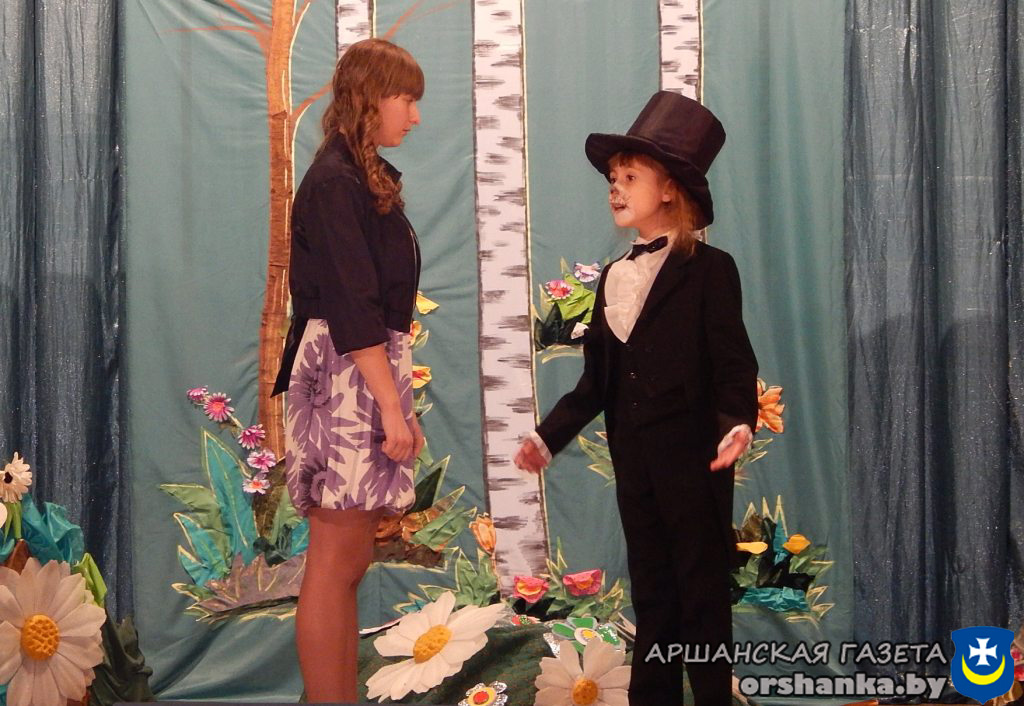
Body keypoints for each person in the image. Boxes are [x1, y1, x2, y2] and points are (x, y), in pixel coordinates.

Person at [515, 90, 759, 706]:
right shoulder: (612, 278)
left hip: (695, 465)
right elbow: (596, 382)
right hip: (637, 466)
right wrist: (547, 436)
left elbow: (733, 362)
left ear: (669, 189)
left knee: (701, 597)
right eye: (612, 180)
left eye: (630, 178)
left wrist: (737, 421)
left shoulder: (711, 269)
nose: (615, 190)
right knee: (652, 594)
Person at [271, 38, 425, 702]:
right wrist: (391, 407)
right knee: (335, 561)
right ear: (370, 99)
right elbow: (353, 305)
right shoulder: (335, 182)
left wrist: (394, 397)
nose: (414, 116)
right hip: (344, 375)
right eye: (406, 100)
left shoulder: (359, 176)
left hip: (361, 369)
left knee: (351, 559)